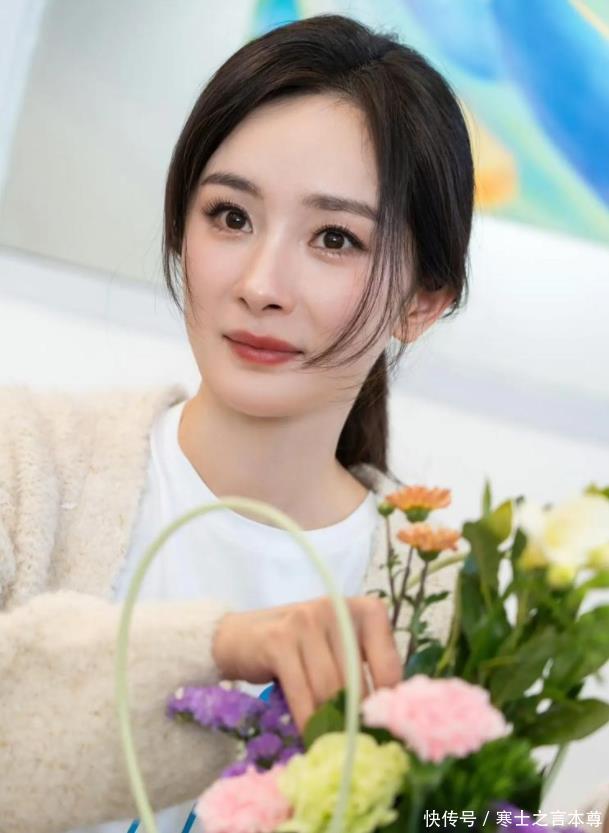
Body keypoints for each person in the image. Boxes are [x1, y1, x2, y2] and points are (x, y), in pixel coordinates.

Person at [0, 13, 474, 833]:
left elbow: (464, 818)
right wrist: (218, 646)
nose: (260, 283)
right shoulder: (23, 464)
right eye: (229, 216)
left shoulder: (438, 596)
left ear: (422, 301)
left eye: (334, 238)